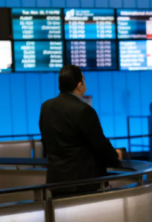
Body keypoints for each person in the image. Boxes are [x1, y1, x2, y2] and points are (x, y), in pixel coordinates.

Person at [39, 65, 122, 196]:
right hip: (82, 183)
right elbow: (99, 144)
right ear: (79, 85)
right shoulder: (84, 110)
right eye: (84, 80)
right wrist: (115, 156)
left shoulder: (46, 107)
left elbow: (46, 141)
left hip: (56, 181)